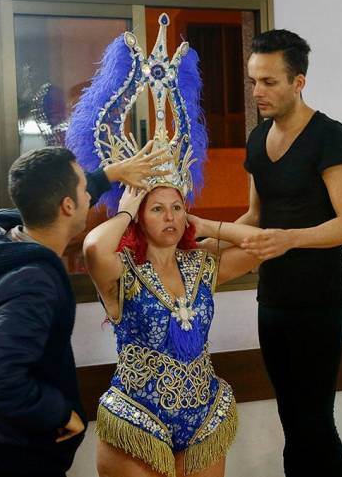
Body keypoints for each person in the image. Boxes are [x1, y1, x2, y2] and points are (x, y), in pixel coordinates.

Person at [0, 144, 164, 477]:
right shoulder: (31, 282)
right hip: (15, 461)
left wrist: (108, 175)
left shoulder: (0, 239)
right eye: (83, 188)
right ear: (67, 205)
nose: (90, 194)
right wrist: (60, 413)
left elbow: (51, 194)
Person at [221, 28, 342, 477]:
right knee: (291, 418)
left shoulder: (331, 137)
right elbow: (255, 215)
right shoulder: (257, 138)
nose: (258, 92)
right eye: (253, 81)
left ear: (298, 81)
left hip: (320, 301)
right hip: (274, 299)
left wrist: (290, 238)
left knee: (315, 421)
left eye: (269, 82)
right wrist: (205, 243)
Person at [83, 184, 261, 477]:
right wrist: (126, 210)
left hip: (203, 415)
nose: (170, 217)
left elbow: (261, 244)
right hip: (138, 417)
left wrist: (207, 226)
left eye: (177, 208)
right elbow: (93, 248)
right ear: (139, 218)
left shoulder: (201, 264)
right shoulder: (121, 270)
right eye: (157, 209)